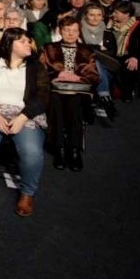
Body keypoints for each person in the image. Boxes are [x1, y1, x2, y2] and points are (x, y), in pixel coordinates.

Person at [0, 28, 49, 217]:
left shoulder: (36, 67)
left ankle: (27, 193)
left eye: (28, 41)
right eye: (22, 41)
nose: (28, 44)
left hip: (24, 114)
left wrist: (22, 117)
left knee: (32, 152)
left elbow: (43, 95)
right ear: (9, 44)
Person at [39, 16, 100, 171]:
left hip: (79, 91)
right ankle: (59, 148)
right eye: (67, 30)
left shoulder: (87, 51)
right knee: (55, 100)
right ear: (60, 31)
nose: (71, 34)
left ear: (79, 32)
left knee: (74, 101)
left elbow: (94, 77)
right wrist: (56, 76)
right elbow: (39, 73)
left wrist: (78, 77)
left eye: (74, 30)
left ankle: (74, 149)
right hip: (55, 90)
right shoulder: (48, 48)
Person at [108, 1, 140, 102]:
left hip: (132, 55)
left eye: (116, 13)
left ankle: (127, 92)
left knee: (129, 66)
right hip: (111, 53)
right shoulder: (110, 22)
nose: (113, 14)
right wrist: (107, 28)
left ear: (126, 14)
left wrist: (136, 57)